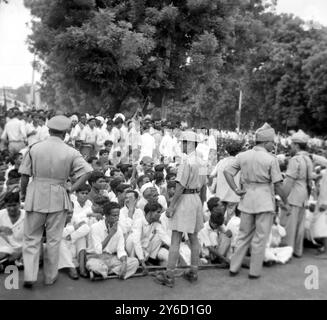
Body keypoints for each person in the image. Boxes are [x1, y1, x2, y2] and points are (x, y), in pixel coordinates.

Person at [19, 115, 93, 288]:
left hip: (36, 194)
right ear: (66, 133)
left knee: (31, 238)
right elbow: (88, 172)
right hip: (59, 195)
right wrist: (72, 188)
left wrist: (23, 194)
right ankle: (50, 277)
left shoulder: (34, 148)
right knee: (54, 239)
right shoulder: (71, 151)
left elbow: (24, 175)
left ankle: (30, 275)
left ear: (49, 130)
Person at [224, 123, 287, 279]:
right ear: (266, 142)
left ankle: (234, 267)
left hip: (246, 199)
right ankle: (254, 271)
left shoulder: (243, 155)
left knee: (243, 235)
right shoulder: (271, 159)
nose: (273, 145)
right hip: (264, 201)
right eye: (272, 142)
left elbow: (227, 172)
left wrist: (235, 189)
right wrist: (285, 200)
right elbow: (278, 184)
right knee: (260, 238)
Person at [154, 131, 207, 287]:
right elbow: (204, 186)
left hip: (185, 198)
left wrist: (171, 206)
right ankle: (193, 271)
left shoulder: (186, 161)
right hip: (196, 198)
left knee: (176, 238)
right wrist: (201, 205)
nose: (182, 145)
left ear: (189, 143)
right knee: (193, 237)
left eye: (184, 142)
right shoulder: (202, 162)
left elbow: (180, 186)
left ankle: (169, 275)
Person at [281, 130, 313, 258]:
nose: (291, 147)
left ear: (297, 145)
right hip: (304, 194)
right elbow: (310, 181)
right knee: (300, 224)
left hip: (294, 194)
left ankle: (288, 250)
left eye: (293, 145)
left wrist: (283, 197)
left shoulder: (295, 160)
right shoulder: (308, 159)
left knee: (290, 224)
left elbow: (289, 181)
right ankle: (298, 250)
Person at [86, 202, 139, 279]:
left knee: (134, 262)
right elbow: (98, 250)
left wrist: (124, 263)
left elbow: (121, 250)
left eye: (118, 215)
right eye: (114, 215)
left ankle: (106, 272)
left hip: (111, 258)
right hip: (97, 258)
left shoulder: (119, 228)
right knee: (95, 265)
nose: (117, 218)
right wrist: (110, 234)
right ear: (106, 215)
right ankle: (113, 271)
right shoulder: (95, 227)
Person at [126, 201, 170, 268]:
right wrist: (141, 259)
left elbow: (164, 237)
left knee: (159, 236)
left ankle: (150, 260)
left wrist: (175, 247)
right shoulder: (139, 221)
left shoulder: (156, 223)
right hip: (133, 249)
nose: (160, 215)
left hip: (144, 249)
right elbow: (136, 242)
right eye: (158, 212)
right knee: (132, 239)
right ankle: (135, 260)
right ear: (150, 213)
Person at [210, 141, 243, 224]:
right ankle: (228, 235)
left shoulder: (221, 162)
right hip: (234, 196)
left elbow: (212, 175)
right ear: (238, 151)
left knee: (219, 219)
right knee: (231, 220)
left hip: (221, 195)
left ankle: (219, 234)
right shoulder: (239, 163)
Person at [198, 197, 231, 266]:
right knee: (213, 235)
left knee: (225, 236)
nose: (222, 207)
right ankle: (219, 259)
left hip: (216, 250)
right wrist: (224, 258)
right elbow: (210, 248)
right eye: (220, 205)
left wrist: (227, 231)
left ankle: (221, 258)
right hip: (206, 253)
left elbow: (229, 234)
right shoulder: (204, 228)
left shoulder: (218, 221)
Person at [0, 191, 25, 271]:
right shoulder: (1, 214)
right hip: (6, 249)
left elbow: (35, 237)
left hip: (23, 248)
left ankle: (6, 264)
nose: (12, 208)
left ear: (19, 203)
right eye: (9, 206)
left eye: (14, 205)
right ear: (5, 205)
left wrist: (20, 251)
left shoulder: (27, 216)